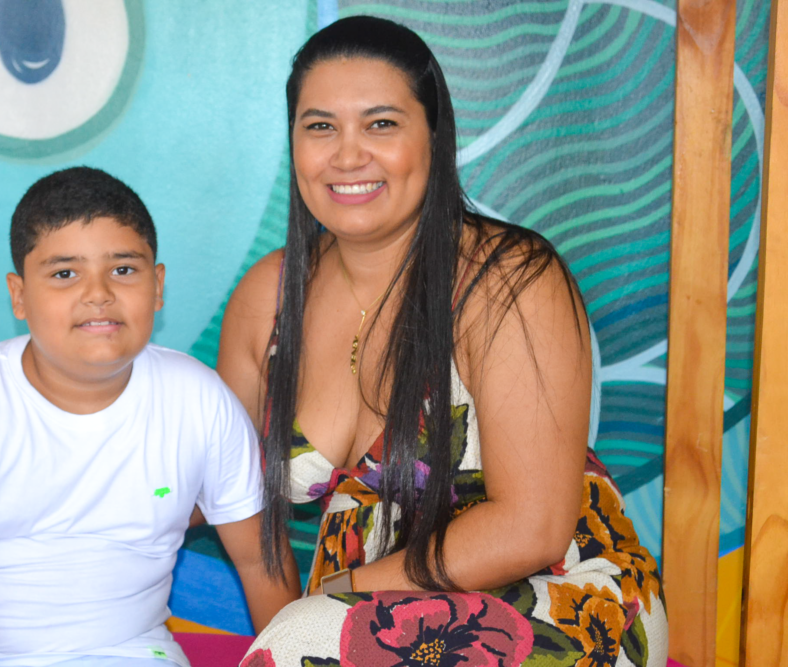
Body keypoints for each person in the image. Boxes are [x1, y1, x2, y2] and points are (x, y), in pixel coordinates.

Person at [218, 16, 667, 667]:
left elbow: (532, 527)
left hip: (562, 599)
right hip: (364, 620)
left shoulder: (508, 277)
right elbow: (228, 498)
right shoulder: (270, 295)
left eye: (381, 124)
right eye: (320, 126)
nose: (347, 155)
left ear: (434, 136)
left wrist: (326, 604)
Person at [0, 167, 300, 667]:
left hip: (133, 653)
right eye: (64, 274)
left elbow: (259, 560)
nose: (98, 294)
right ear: (19, 295)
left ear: (158, 285)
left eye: (124, 269)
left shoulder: (199, 398)